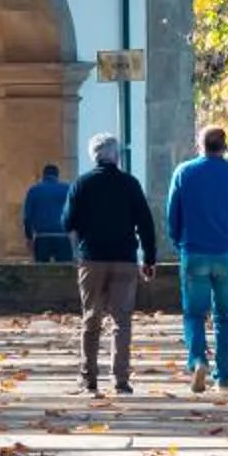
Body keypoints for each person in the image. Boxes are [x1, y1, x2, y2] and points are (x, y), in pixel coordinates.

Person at [165, 126, 228, 393]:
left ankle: (197, 360)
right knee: (224, 316)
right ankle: (225, 375)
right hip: (227, 252)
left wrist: (178, 241)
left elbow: (173, 215)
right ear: (224, 146)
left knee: (194, 313)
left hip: (194, 250)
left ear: (200, 145)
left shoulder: (184, 172)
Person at [67, 134, 158, 396]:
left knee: (91, 318)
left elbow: (67, 221)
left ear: (93, 156)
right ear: (116, 155)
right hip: (124, 259)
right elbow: (146, 224)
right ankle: (120, 380)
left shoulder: (82, 184)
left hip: (92, 258)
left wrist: (81, 240)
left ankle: (89, 378)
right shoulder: (130, 184)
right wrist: (149, 259)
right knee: (122, 321)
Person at [22, 163, 75, 262]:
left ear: (43, 175)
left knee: (41, 274)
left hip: (42, 237)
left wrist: (29, 237)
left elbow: (27, 217)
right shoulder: (68, 189)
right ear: (57, 175)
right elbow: (75, 213)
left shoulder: (34, 190)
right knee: (65, 273)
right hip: (62, 237)